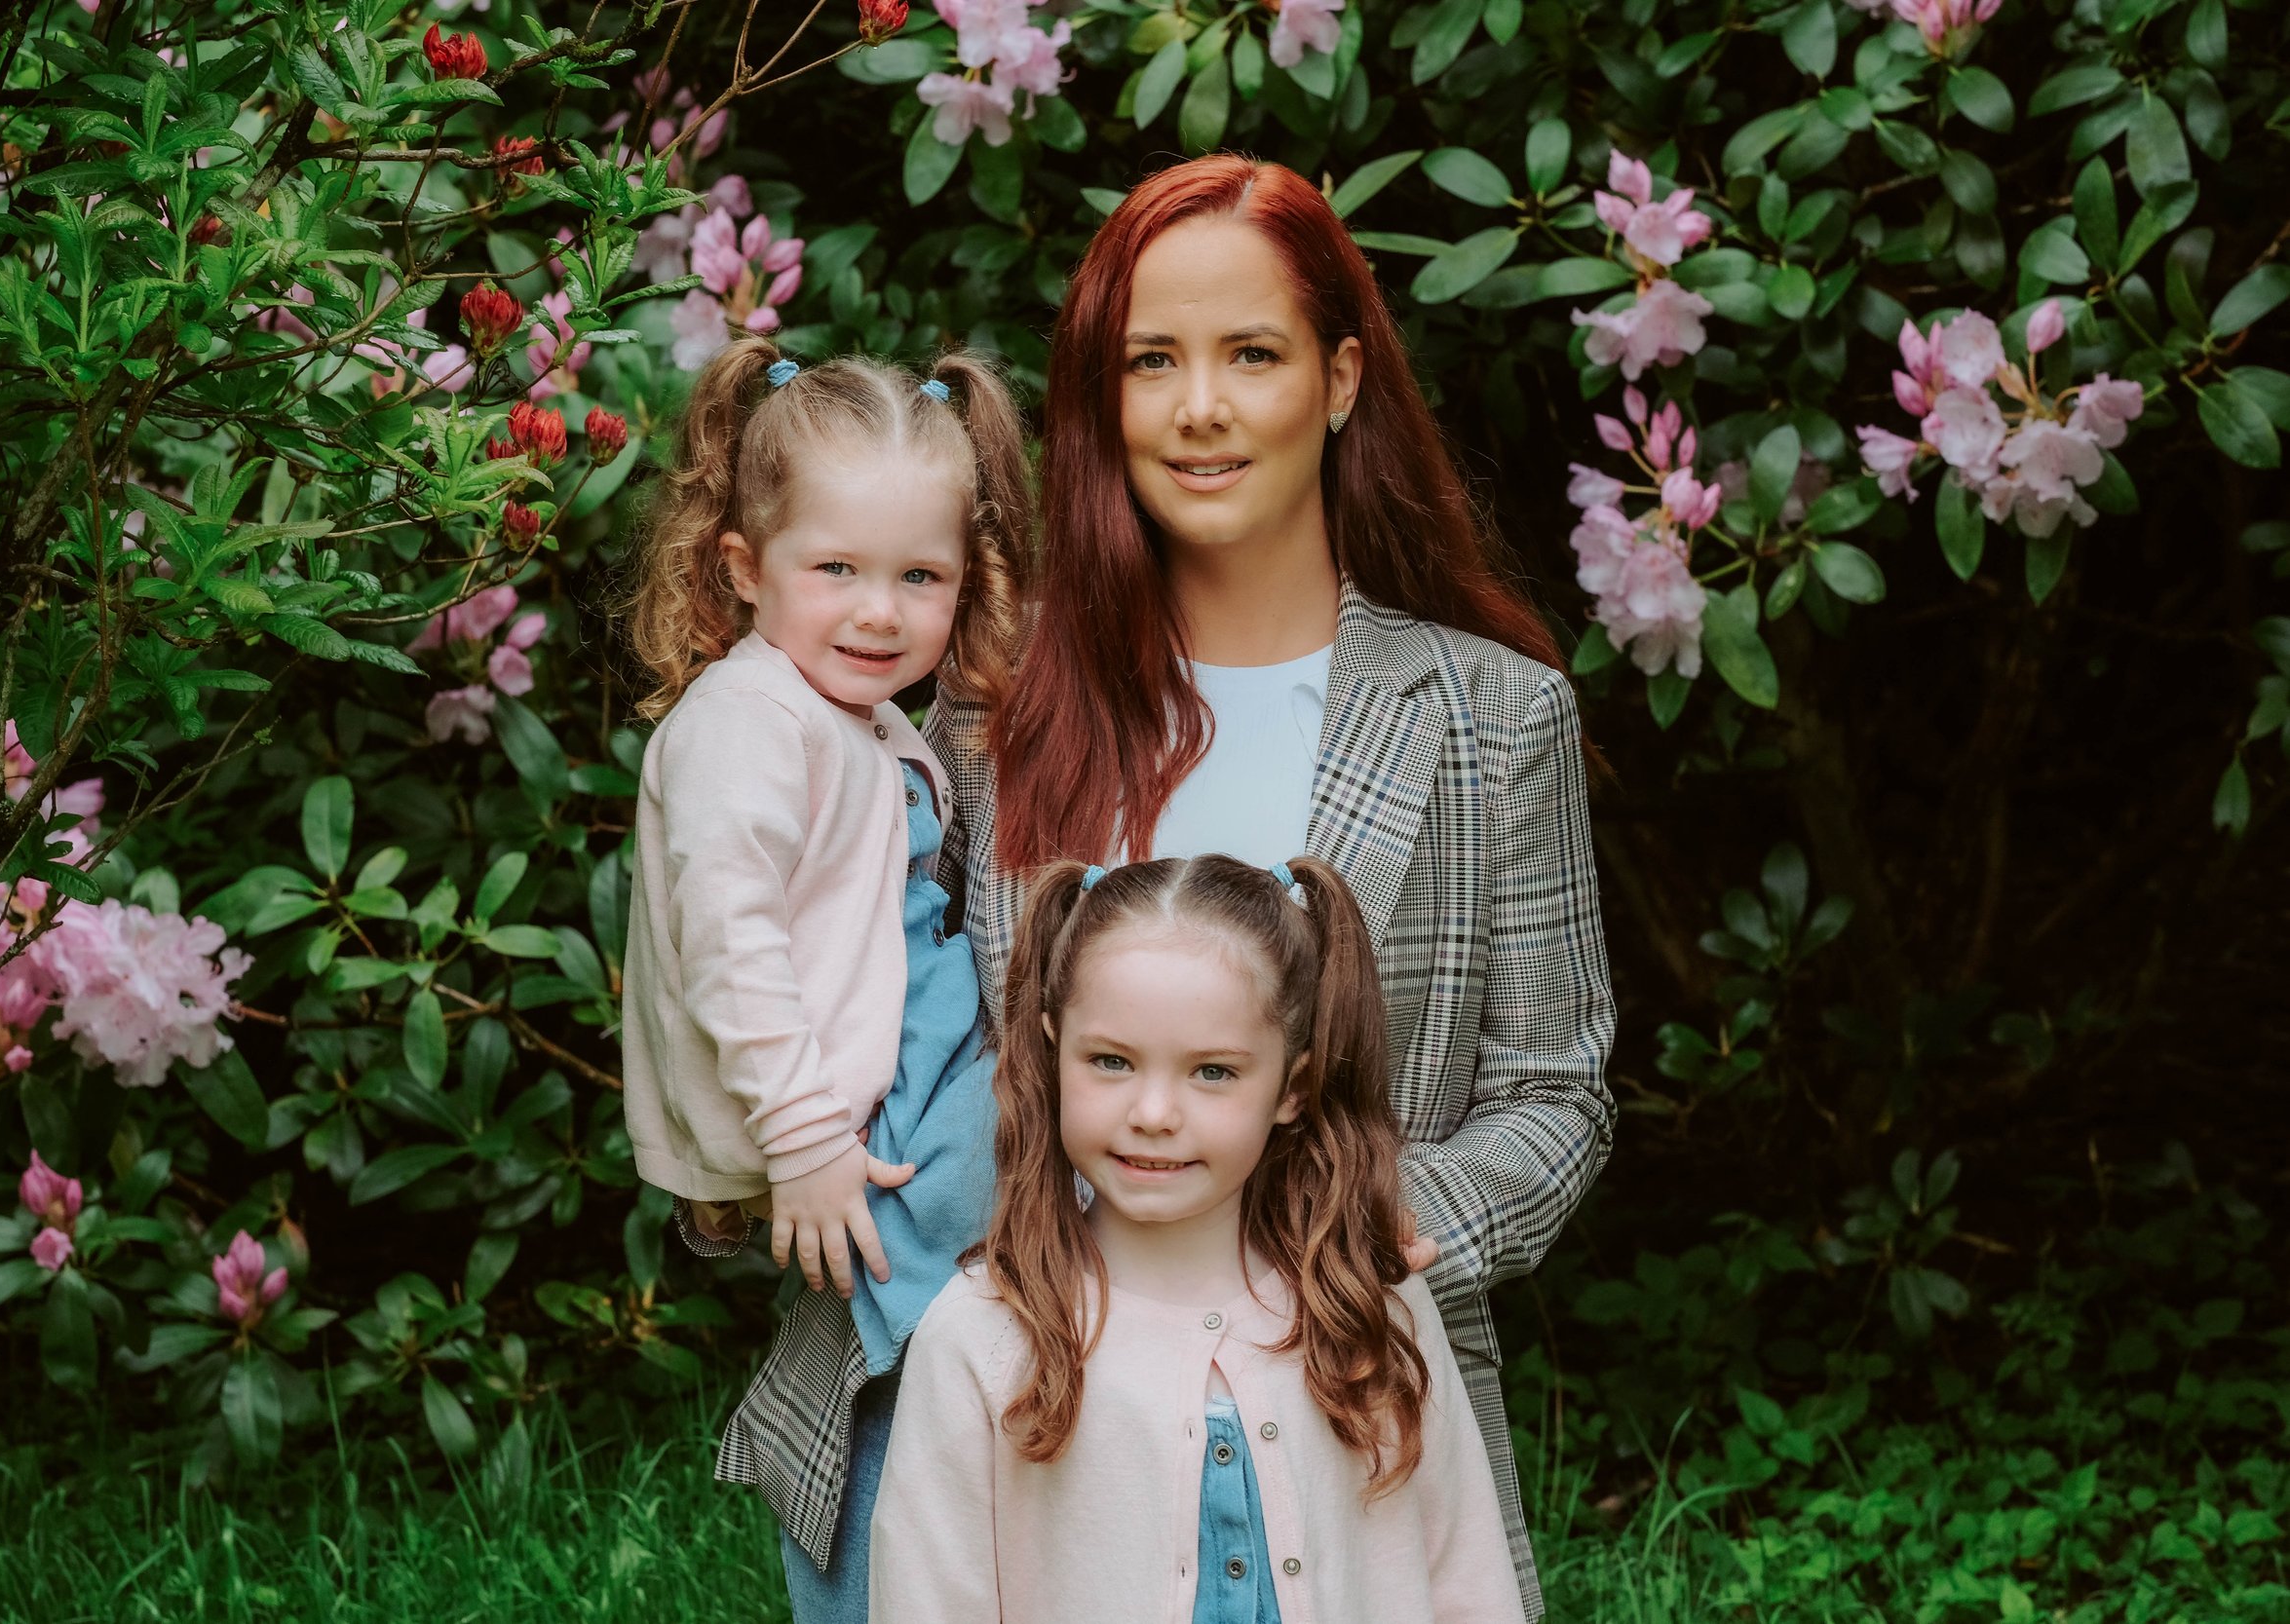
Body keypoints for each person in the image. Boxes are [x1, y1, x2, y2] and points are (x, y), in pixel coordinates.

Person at [926, 155, 1617, 1620]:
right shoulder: (1001, 706)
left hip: (1365, 1414)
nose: (1200, 408)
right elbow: (916, 1033)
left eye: (1252, 354)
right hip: (1038, 1414)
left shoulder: (1491, 715)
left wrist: (1351, 1233)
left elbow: (1558, 1096)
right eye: (1151, 361)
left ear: (1343, 376)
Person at [618, 337, 1031, 1622]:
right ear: (744, 569)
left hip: (901, 1056)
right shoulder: (747, 722)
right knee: (1012, 1212)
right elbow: (729, 940)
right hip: (854, 1103)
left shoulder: (851, 715)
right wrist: (802, 1137)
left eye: (921, 576)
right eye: (835, 569)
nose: (878, 610)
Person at [868, 854, 1525, 1623]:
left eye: (1212, 1072)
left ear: (1293, 1088)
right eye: (1110, 1060)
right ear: (1051, 1052)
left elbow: (1467, 1581)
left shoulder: (1375, 1307)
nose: (1153, 1111)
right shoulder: (980, 1336)